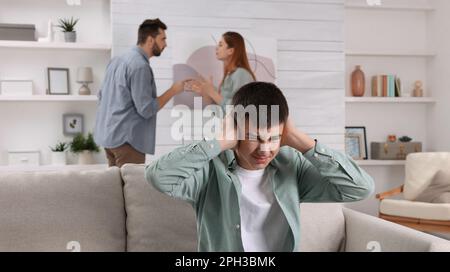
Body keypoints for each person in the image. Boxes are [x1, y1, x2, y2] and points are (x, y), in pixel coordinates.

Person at [145, 82, 374, 252]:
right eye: (254, 137)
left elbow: (360, 188)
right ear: (234, 131)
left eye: (273, 138)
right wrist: (218, 142)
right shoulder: (208, 171)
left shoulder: (292, 168)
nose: (264, 149)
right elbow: (158, 177)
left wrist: (298, 139)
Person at [94, 18, 186, 167]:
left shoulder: (117, 60)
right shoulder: (140, 66)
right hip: (127, 142)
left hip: (109, 139)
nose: (165, 44)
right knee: (132, 189)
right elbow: (146, 109)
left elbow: (101, 96)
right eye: (162, 39)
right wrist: (173, 90)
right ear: (150, 40)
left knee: (115, 188)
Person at [188, 31, 256, 107]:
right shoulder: (230, 75)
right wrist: (205, 92)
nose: (216, 48)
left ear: (230, 51)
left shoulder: (241, 74)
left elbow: (239, 108)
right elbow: (222, 106)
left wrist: (212, 93)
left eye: (220, 45)